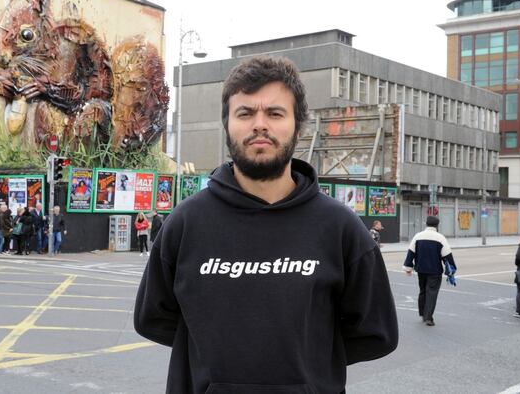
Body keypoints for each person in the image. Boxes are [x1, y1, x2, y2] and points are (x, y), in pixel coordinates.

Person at [134, 56, 398, 393]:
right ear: (227, 124)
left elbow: (376, 332)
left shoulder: (340, 228)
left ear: (297, 125)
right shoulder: (186, 223)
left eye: (275, 113)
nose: (260, 124)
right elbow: (152, 318)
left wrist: (307, 362)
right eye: (245, 113)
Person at [403, 216, 456, 326]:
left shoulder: (418, 236)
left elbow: (411, 253)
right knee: (431, 293)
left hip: (421, 270)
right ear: (437, 225)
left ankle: (422, 313)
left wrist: (408, 267)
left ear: (426, 224)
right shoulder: (440, 238)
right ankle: (428, 317)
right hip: (435, 271)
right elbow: (447, 255)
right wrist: (452, 269)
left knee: (422, 291)